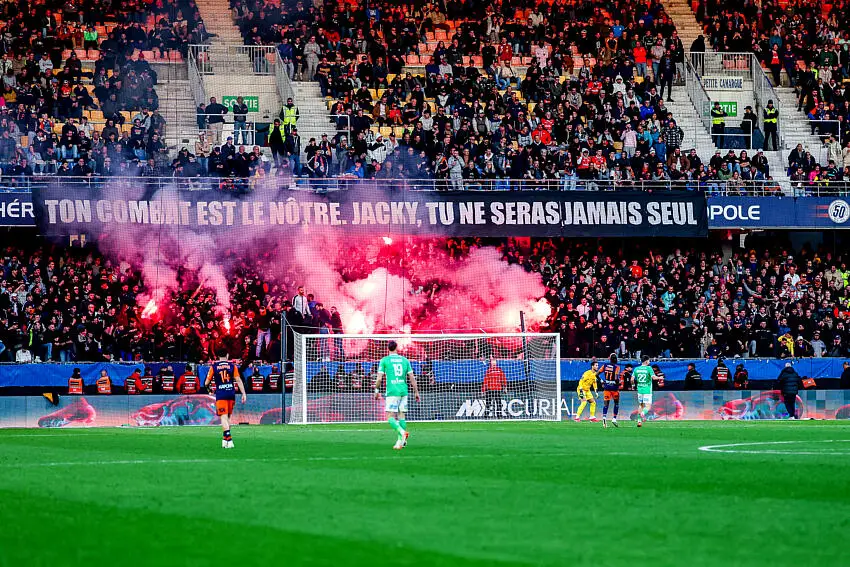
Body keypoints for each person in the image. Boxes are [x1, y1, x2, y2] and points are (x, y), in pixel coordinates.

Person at [374, 340, 420, 450]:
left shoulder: (384, 360)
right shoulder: (405, 360)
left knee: (389, 416)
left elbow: (379, 379)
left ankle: (402, 432)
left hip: (392, 391)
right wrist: (416, 392)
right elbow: (412, 377)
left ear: (388, 348)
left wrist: (376, 391)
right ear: (397, 348)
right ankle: (401, 442)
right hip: (404, 390)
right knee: (401, 416)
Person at [204, 357, 247, 448]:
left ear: (218, 356)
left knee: (223, 417)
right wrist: (243, 393)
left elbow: (206, 382)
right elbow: (238, 380)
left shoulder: (214, 367)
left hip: (221, 394)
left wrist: (209, 389)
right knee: (228, 417)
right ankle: (224, 440)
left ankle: (229, 439)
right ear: (227, 356)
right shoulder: (232, 366)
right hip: (231, 393)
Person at [633, 355, 658, 427]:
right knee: (648, 406)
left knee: (641, 405)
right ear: (646, 361)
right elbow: (654, 378)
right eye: (649, 360)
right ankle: (643, 414)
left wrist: (633, 386)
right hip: (647, 390)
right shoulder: (649, 368)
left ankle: (639, 421)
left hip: (640, 390)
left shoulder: (636, 369)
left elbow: (632, 379)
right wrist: (660, 377)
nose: (649, 362)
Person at [600, 353, 621, 428]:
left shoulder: (605, 366)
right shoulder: (617, 367)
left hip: (607, 387)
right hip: (614, 388)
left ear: (610, 359)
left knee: (606, 404)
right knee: (616, 403)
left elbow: (597, 374)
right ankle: (614, 418)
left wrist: (602, 381)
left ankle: (604, 418)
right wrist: (619, 383)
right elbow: (616, 378)